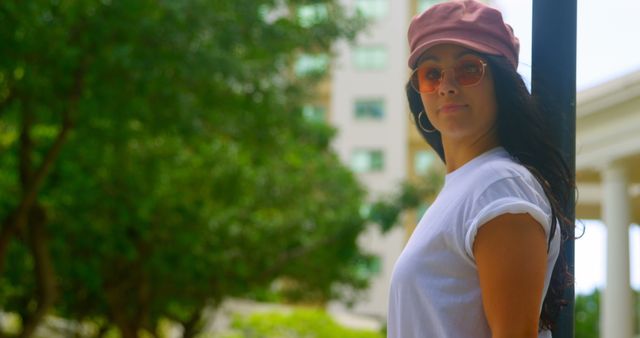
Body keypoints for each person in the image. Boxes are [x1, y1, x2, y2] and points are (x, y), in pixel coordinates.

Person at [387, 1, 574, 337]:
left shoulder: (500, 184)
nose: (447, 85)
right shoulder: (465, 189)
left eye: (469, 69)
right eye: (431, 74)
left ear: (501, 85)